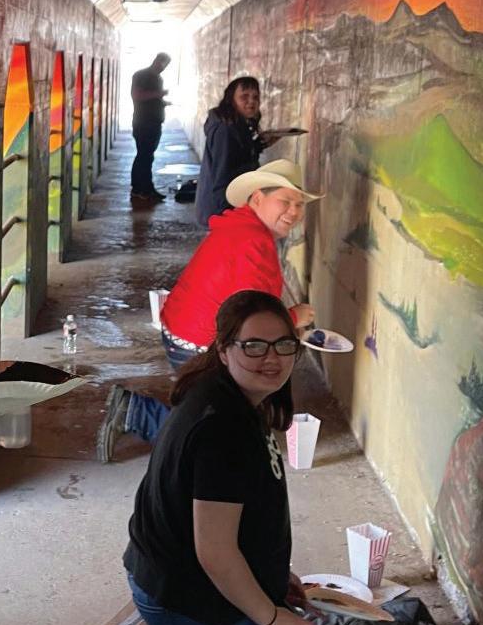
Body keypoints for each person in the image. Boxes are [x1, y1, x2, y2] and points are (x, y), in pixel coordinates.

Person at [124, 290, 340, 625]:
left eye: (283, 344)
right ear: (224, 350)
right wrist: (271, 618)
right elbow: (215, 553)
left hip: (182, 578)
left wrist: (273, 579)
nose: (271, 358)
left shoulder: (231, 395)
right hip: (182, 600)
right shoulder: (223, 430)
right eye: (254, 346)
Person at [97, 159, 321, 462]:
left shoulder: (245, 227)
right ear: (257, 198)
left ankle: (152, 413)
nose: (293, 211)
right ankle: (137, 413)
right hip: (199, 343)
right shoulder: (253, 239)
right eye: (285, 201)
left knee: (226, 423)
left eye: (299, 204)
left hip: (186, 330)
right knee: (216, 441)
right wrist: (293, 318)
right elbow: (250, 314)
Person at [194, 76, 274, 228]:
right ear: (231, 100)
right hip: (221, 208)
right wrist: (226, 217)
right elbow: (222, 174)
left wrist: (259, 145)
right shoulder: (225, 130)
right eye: (244, 97)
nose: (251, 101)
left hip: (229, 204)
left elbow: (238, 156)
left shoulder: (237, 124)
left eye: (255, 97)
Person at [130, 52, 171, 202]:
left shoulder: (157, 78)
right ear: (156, 61)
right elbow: (137, 95)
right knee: (144, 156)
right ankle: (143, 189)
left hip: (153, 122)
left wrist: (162, 102)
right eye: (163, 64)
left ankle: (141, 188)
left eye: (166, 65)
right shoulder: (141, 75)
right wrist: (158, 94)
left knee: (146, 156)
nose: (163, 67)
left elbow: (151, 99)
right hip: (144, 123)